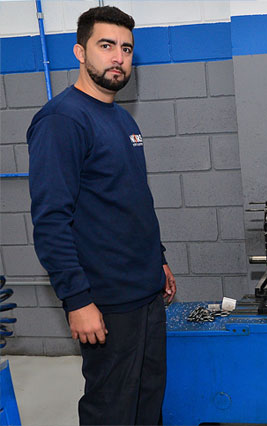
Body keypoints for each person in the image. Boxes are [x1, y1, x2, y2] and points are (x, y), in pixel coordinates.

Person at [27, 6, 176, 425]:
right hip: (106, 302)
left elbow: (133, 200)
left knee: (148, 404)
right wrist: (77, 300)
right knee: (111, 408)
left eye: (126, 49)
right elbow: (51, 219)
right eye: (106, 45)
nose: (118, 57)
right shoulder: (62, 120)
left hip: (145, 293)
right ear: (80, 51)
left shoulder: (122, 118)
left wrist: (158, 259)